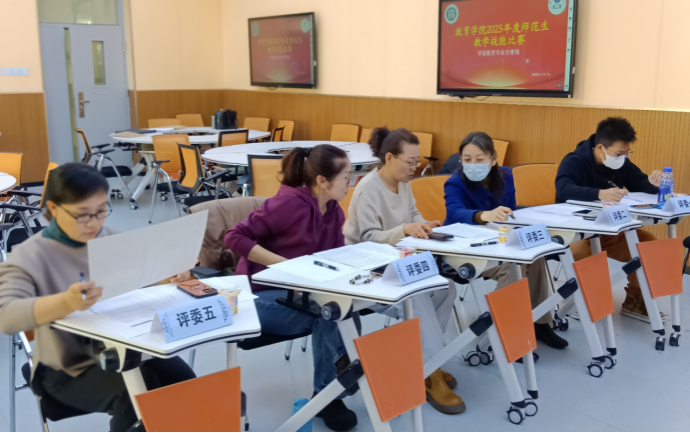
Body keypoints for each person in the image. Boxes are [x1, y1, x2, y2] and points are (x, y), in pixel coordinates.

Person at [0, 163, 196, 432]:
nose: (94, 223)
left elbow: (143, 273)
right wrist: (65, 302)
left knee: (187, 386)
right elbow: (7, 318)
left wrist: (171, 276)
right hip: (64, 364)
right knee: (135, 398)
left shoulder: (109, 238)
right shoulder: (29, 256)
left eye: (101, 211)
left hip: (127, 344)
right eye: (82, 214)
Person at [225, 145, 357, 432]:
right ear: (323, 180)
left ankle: (327, 393)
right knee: (328, 313)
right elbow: (234, 236)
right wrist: (286, 266)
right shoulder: (287, 204)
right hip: (254, 297)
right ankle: (341, 372)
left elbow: (333, 260)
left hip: (299, 296)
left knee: (340, 309)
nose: (352, 182)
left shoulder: (334, 211)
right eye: (347, 177)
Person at [344, 127, 466, 416]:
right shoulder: (368, 188)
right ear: (389, 158)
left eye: (417, 161)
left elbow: (411, 214)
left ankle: (425, 363)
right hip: (366, 270)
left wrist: (423, 225)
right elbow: (367, 239)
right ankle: (431, 371)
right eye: (410, 162)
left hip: (398, 263)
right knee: (419, 295)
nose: (415, 167)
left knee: (445, 288)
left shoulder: (403, 182)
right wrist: (405, 229)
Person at [444, 132, 568, 350]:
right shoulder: (454, 182)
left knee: (535, 258)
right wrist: (483, 215)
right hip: (463, 251)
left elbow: (510, 213)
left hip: (499, 243)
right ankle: (506, 333)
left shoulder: (506, 176)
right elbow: (454, 212)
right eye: (467, 159)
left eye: (479, 159)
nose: (472, 165)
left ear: (493, 159)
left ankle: (540, 323)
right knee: (511, 267)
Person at [556, 117, 665, 323]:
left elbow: (639, 182)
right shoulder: (574, 161)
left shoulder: (621, 162)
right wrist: (599, 193)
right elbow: (563, 190)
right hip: (578, 233)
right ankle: (587, 302)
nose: (623, 157)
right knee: (581, 253)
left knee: (649, 244)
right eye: (618, 153)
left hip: (610, 231)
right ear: (600, 147)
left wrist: (653, 184)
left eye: (627, 153)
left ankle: (635, 302)